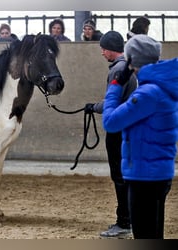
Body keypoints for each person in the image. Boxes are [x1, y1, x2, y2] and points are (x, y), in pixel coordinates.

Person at [103, 34, 178, 239]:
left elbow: (110, 122)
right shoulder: (163, 87)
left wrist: (116, 85)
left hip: (144, 176)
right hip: (157, 173)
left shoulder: (147, 94)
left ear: (131, 60)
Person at [84, 31, 137, 238]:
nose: (101, 53)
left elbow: (113, 102)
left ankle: (124, 221)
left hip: (118, 128)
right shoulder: (129, 66)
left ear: (110, 49)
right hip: (130, 127)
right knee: (127, 175)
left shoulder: (118, 70)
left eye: (103, 48)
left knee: (119, 175)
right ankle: (129, 218)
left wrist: (93, 107)